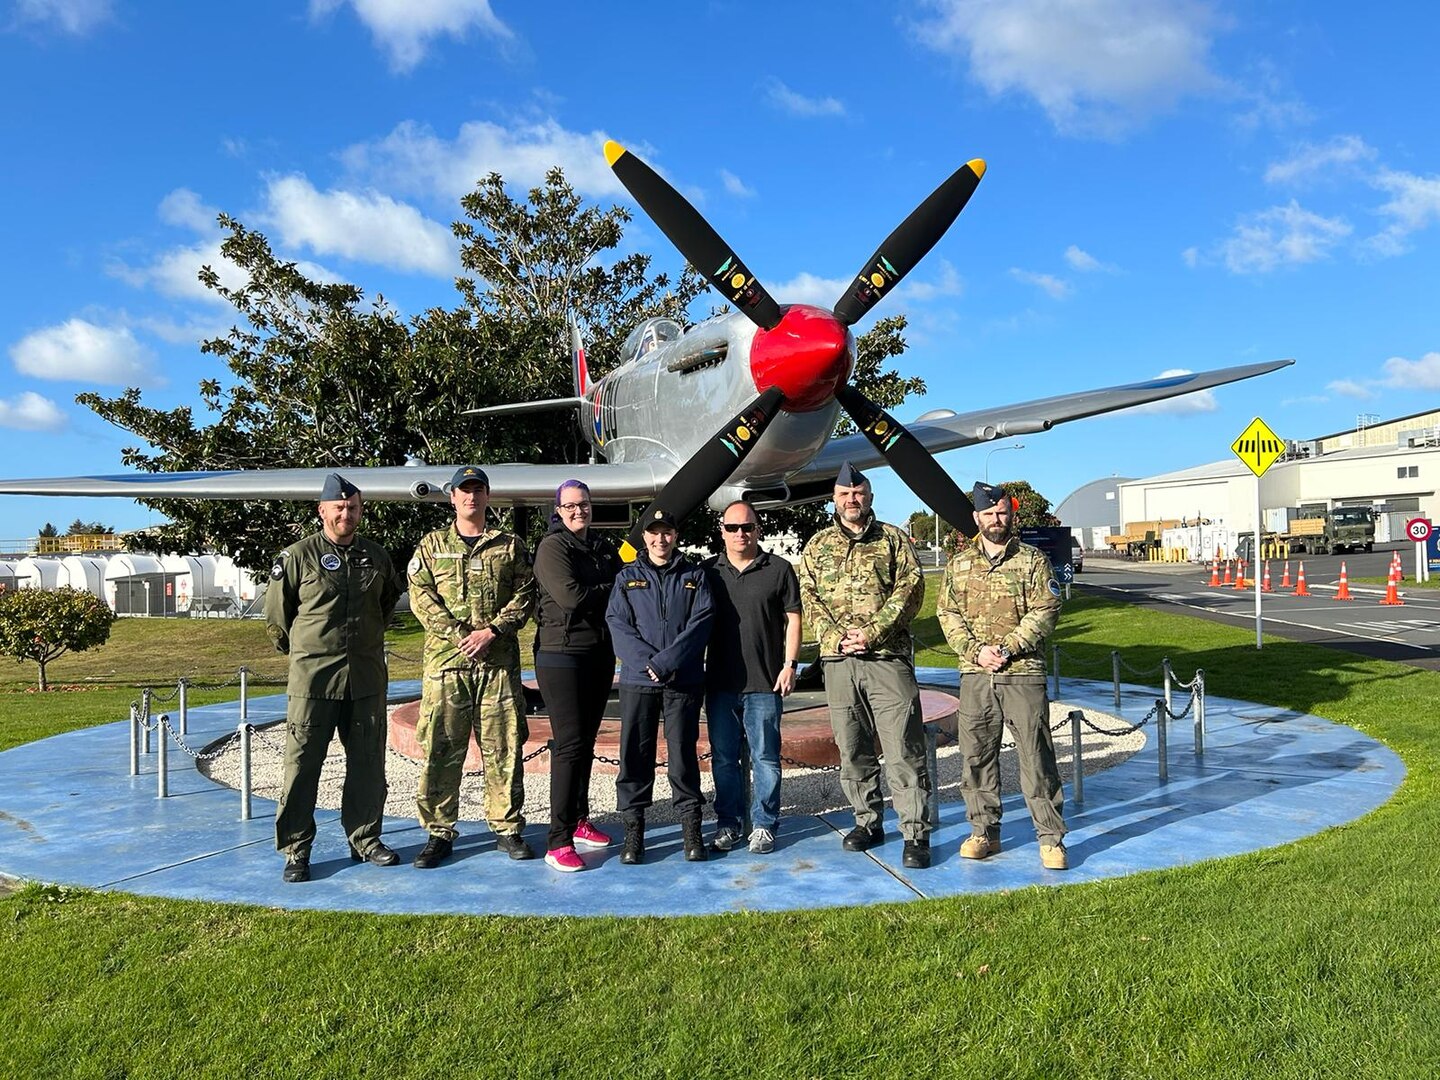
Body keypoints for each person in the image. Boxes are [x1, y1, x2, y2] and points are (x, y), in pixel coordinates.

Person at [265, 473, 403, 884]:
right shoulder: (296, 557)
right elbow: (277, 619)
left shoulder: (376, 556)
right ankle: (296, 849)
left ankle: (365, 838)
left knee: (367, 764)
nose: (346, 513)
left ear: (361, 511)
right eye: (338, 507)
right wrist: (308, 653)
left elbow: (387, 604)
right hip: (314, 681)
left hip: (364, 679)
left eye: (353, 507)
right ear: (322, 510)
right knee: (302, 764)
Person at [798, 462, 932, 869]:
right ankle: (868, 821)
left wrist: (872, 632)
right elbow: (807, 595)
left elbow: (911, 590)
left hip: (886, 659)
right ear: (834, 499)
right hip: (839, 661)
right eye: (843, 494)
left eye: (858, 492)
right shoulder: (817, 545)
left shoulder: (892, 539)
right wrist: (835, 635)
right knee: (852, 748)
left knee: (902, 750)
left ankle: (915, 833)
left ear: (869, 497)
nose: (851, 499)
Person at [407, 466, 537, 868]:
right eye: (464, 491)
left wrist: (491, 632)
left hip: (497, 666)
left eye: (478, 490)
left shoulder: (509, 545)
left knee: (505, 748)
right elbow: (421, 598)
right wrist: (461, 634)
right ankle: (438, 832)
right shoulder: (431, 546)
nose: (471, 497)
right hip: (448, 667)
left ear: (487, 496)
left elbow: (527, 593)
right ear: (452, 498)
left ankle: (507, 826)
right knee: (442, 750)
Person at [936, 481, 1068, 870]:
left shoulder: (1032, 560)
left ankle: (1050, 837)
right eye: (989, 513)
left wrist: (1008, 647)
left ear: (1011, 515)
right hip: (976, 674)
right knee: (976, 757)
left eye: (1002, 513)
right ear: (976, 517)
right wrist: (977, 651)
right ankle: (982, 832)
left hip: (1022, 672)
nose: (996, 519)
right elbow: (948, 613)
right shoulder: (959, 565)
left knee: (1035, 756)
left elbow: (1046, 608)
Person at [605, 508, 714, 865]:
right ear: (645, 537)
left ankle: (691, 831)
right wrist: (647, 664)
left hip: (681, 680)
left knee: (683, 756)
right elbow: (618, 625)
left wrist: (666, 663)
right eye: (653, 533)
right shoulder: (627, 578)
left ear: (675, 535)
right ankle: (634, 835)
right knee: (635, 756)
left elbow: (701, 623)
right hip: (639, 681)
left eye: (666, 532)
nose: (660, 539)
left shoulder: (694, 576)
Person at [532, 480, 623, 873]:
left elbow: (624, 583)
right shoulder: (552, 548)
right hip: (561, 655)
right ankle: (558, 840)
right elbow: (571, 597)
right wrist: (610, 586)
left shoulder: (601, 547)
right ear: (558, 509)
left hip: (599, 653)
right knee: (569, 745)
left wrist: (604, 587)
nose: (577, 511)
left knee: (586, 742)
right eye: (569, 506)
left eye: (583, 504)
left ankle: (580, 819)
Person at [703, 501, 801, 855]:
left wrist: (790, 664)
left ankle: (763, 825)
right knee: (724, 760)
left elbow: (794, 619)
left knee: (766, 759)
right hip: (719, 683)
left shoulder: (779, 569)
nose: (740, 534)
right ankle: (729, 824)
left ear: (758, 529)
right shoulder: (707, 572)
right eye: (732, 528)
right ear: (722, 532)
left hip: (765, 681)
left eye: (747, 527)